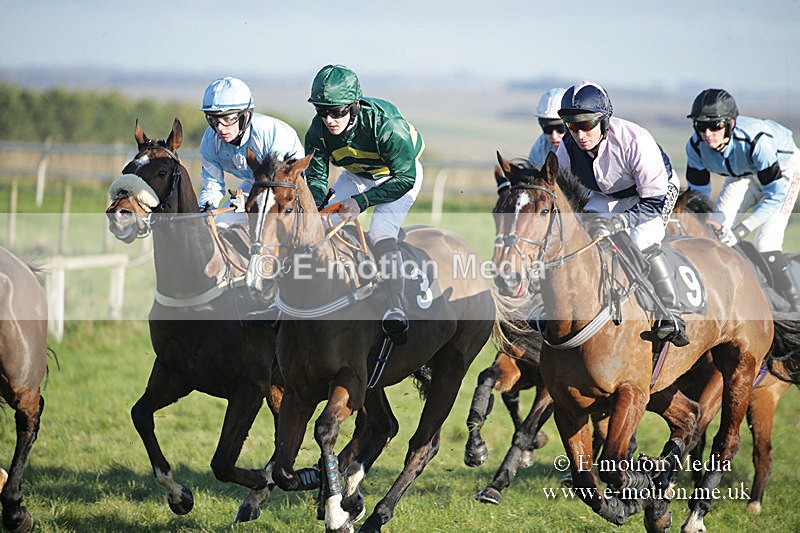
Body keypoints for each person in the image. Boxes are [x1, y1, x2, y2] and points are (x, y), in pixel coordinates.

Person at [555, 81, 689, 347]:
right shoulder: (567, 149)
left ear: (604, 121)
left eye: (587, 125)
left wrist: (620, 222)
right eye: (572, 127)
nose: (580, 135)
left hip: (652, 194)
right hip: (605, 196)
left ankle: (672, 313)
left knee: (641, 241)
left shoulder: (635, 141)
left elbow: (654, 200)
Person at [304, 64, 425, 345]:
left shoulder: (386, 125)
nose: (329, 119)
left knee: (381, 229)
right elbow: (317, 178)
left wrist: (362, 202)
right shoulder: (317, 131)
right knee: (321, 223)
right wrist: (319, 202)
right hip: (358, 174)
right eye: (322, 111)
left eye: (337, 112)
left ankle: (395, 304)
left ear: (355, 106)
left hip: (398, 175)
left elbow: (405, 178)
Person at [685, 88, 800, 311]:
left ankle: (795, 311)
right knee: (714, 230)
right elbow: (698, 196)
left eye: (716, 126)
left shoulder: (758, 141)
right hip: (743, 174)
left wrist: (740, 231)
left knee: (766, 243)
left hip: (783, 171)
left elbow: (774, 196)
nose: (708, 134)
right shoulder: (695, 147)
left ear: (730, 123)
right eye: (701, 126)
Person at [199, 76, 304, 226]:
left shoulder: (273, 135)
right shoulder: (210, 141)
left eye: (228, 118)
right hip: (255, 183)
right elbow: (212, 183)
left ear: (246, 115)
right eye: (213, 119)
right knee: (219, 224)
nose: (220, 127)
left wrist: (250, 202)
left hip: (288, 186)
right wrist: (205, 210)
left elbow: (278, 188)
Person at [528, 88, 567, 168]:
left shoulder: (585, 144)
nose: (554, 136)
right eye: (547, 129)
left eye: (560, 128)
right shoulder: (540, 148)